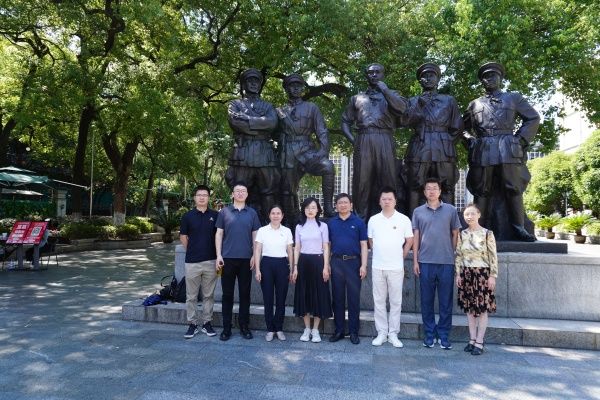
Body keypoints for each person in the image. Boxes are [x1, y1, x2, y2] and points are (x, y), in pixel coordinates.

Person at [463, 62, 540, 242]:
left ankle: (519, 228)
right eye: (485, 77)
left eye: (493, 76)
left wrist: (520, 140)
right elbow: (462, 128)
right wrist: (471, 141)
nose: (489, 79)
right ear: (482, 81)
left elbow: (533, 117)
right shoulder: (474, 104)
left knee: (513, 188)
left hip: (507, 147)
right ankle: (478, 228)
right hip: (484, 148)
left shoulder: (513, 98)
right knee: (482, 190)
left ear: (500, 78)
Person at [341, 63, 408, 221]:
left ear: (383, 74)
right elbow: (345, 121)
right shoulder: (357, 98)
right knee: (362, 181)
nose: (374, 75)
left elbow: (402, 109)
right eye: (371, 72)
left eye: (378, 72)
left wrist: (385, 90)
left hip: (385, 138)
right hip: (363, 138)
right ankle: (360, 221)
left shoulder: (392, 95)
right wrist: (354, 141)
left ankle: (390, 219)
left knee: (388, 179)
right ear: (366, 75)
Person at [402, 62, 463, 217]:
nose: (428, 79)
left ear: (438, 79)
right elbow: (406, 121)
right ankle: (413, 223)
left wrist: (446, 142)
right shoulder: (413, 101)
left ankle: (449, 222)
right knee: (415, 185)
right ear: (420, 81)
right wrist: (419, 104)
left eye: (432, 75)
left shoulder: (449, 100)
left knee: (447, 185)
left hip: (443, 148)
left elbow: (457, 126)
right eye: (425, 76)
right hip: (419, 146)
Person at [277, 73, 335, 222]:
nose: (296, 88)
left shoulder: (312, 108)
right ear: (286, 89)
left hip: (307, 150)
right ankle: (291, 217)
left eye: (299, 86)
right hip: (288, 152)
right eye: (292, 86)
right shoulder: (279, 111)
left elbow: (322, 131)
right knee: (288, 189)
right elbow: (273, 133)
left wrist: (322, 151)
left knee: (328, 167)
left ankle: (328, 208)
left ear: (303, 88)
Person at [412, 178, 461, 349]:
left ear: (440, 191)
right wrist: (415, 260)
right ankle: (429, 334)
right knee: (426, 301)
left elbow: (455, 233)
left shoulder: (450, 210)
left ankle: (444, 335)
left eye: (435, 188)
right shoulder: (418, 212)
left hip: (446, 262)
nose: (431, 191)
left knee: (446, 301)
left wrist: (451, 253)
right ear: (424, 192)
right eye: (428, 188)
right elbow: (416, 237)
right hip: (425, 262)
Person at [226, 68, 280, 222]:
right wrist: (260, 125)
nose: (254, 84)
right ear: (244, 84)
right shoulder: (235, 104)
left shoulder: (268, 106)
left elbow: (272, 123)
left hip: (265, 155)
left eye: (256, 81)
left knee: (268, 191)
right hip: (243, 155)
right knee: (240, 191)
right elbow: (235, 123)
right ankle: (239, 223)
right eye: (250, 81)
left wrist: (247, 119)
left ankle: (270, 226)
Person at [368, 187, 414, 347]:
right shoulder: (373, 220)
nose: (387, 201)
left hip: (396, 267)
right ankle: (381, 332)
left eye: (390, 199)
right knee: (379, 301)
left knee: (396, 301)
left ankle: (393, 333)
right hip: (378, 266)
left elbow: (409, 240)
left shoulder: (403, 219)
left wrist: (402, 255)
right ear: (379, 201)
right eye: (384, 199)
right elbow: (371, 240)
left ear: (395, 201)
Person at [215, 182, 261, 341]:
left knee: (245, 295)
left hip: (246, 260)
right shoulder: (224, 212)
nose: (240, 193)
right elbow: (219, 234)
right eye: (237, 191)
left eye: (243, 191)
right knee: (227, 295)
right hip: (227, 259)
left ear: (247, 194)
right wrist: (218, 255)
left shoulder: (252, 213)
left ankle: (244, 327)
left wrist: (254, 255)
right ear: (233, 194)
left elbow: (256, 236)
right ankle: (226, 328)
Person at [455, 204, 498, 355]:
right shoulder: (462, 234)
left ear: (479, 215)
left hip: (482, 274)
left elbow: (493, 256)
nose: (469, 217)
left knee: (482, 309)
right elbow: (459, 255)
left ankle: (480, 341)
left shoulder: (487, 234)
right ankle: (472, 339)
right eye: (466, 214)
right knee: (469, 309)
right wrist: (458, 274)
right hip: (466, 273)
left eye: (472, 214)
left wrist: (492, 275)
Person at [327, 193, 368, 344]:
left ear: (351, 205)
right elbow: (328, 245)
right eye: (340, 203)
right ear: (336, 206)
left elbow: (364, 245)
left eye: (345, 202)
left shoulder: (359, 222)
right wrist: (327, 264)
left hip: (354, 263)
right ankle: (338, 330)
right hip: (336, 263)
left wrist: (363, 265)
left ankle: (353, 332)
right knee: (337, 298)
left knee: (353, 299)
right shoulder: (331, 223)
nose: (343, 205)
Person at [180, 185, 219, 339]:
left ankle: (207, 323)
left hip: (211, 261)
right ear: (195, 198)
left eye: (205, 195)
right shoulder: (187, 216)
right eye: (199, 195)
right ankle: (192, 324)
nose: (202, 197)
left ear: (208, 198)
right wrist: (192, 250)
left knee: (209, 295)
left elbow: (219, 236)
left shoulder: (216, 215)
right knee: (191, 296)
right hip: (192, 262)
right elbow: (183, 237)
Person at [292, 197, 332, 343]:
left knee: (318, 294)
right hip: (303, 262)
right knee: (304, 294)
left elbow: (326, 247)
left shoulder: (323, 226)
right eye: (308, 207)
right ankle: (307, 329)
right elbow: (297, 247)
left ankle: (315, 330)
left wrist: (326, 266)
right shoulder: (299, 227)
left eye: (313, 207)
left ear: (318, 210)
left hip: (318, 261)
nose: (310, 210)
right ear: (304, 209)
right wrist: (295, 267)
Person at [254, 205, 294, 342]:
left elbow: (290, 250)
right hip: (266, 264)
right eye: (273, 213)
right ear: (269, 215)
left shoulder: (287, 231)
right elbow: (258, 250)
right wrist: (257, 270)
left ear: (282, 215)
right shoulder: (262, 230)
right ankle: (270, 329)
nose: (275, 215)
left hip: (282, 264)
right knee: (268, 299)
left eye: (278, 213)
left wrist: (292, 269)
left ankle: (279, 328)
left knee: (281, 298)